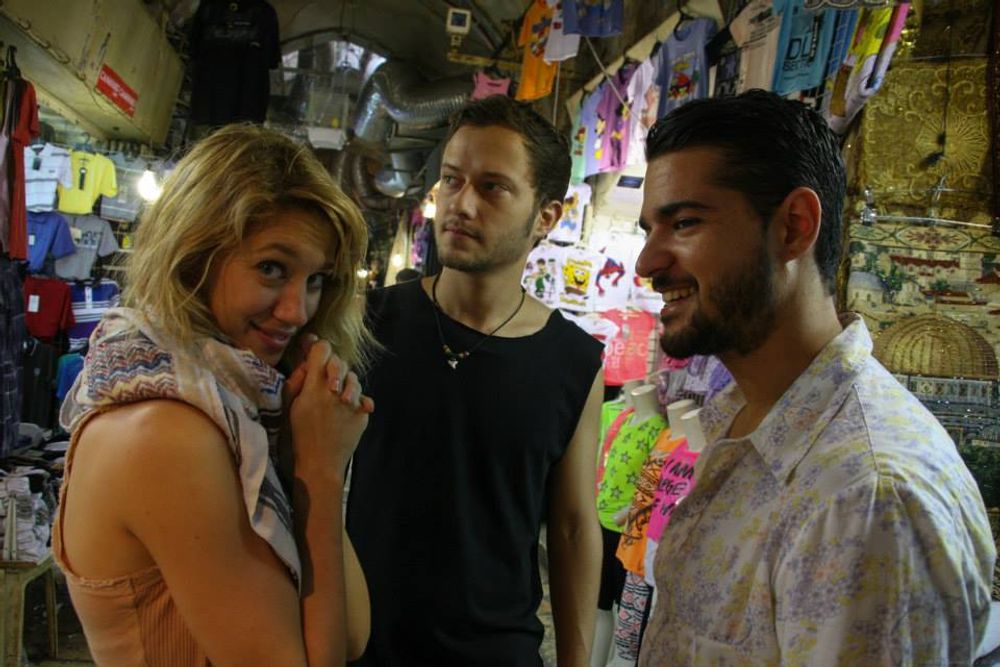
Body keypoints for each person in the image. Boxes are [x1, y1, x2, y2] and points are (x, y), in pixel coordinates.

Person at [634, 89, 996, 665]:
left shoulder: (866, 498)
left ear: (794, 228)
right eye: (649, 230)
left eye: (684, 223)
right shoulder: (749, 420)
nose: (647, 263)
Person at [54, 124, 373, 665]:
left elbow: (349, 636)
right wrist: (320, 470)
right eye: (271, 269)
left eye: (316, 279)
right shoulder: (167, 433)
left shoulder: (240, 414)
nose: (297, 311)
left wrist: (304, 458)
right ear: (193, 255)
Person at [347, 95, 605, 666]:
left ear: (546, 217)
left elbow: (571, 526)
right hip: (364, 645)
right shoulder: (369, 323)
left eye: (493, 187)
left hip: (496, 652)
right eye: (452, 179)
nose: (461, 204)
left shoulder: (573, 362)